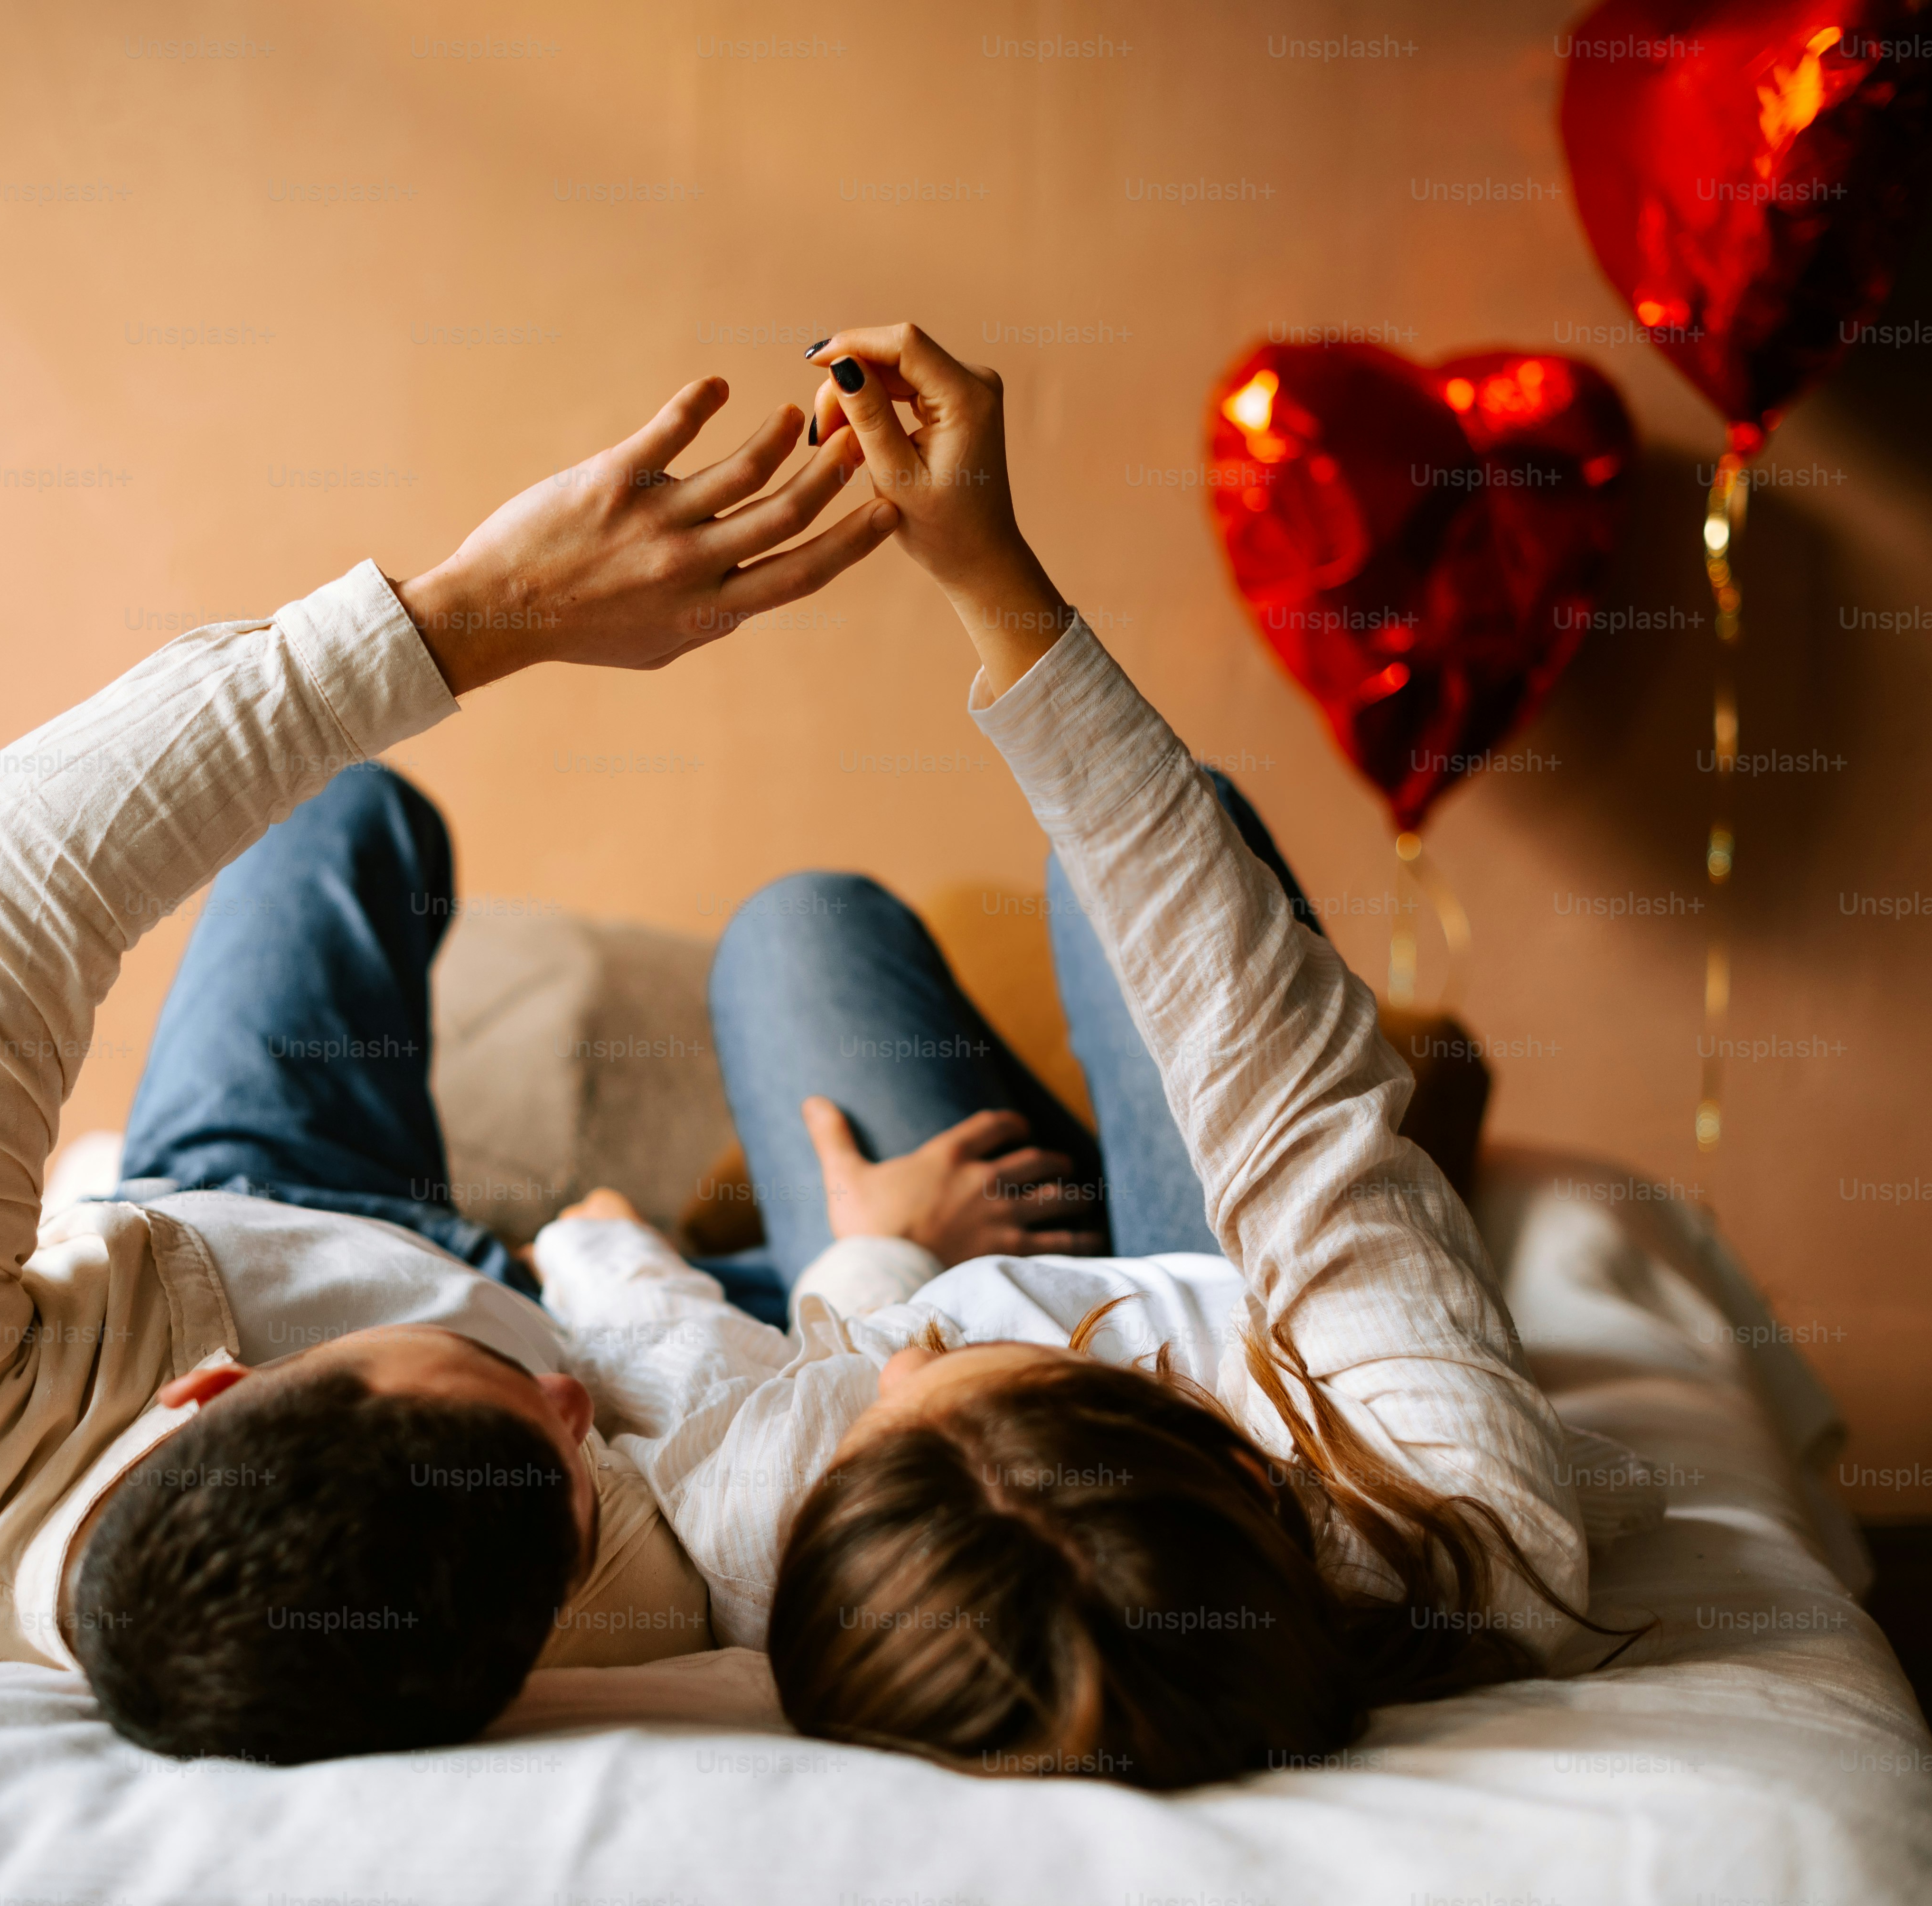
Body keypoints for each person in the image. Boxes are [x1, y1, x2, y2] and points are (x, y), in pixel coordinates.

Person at [532, 325, 1651, 1789]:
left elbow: (697, 1366)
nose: (906, 1350)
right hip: (1248, 1290)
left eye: (880, 1407)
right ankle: (1141, 1185)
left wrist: (859, 1262)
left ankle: (1058, 1171)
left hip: (947, 1233)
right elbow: (1269, 1053)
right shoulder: (1463, 1523)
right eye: (953, 1358)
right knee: (1147, 866)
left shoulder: (779, 1529)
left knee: (798, 931)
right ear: (1178, 1419)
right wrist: (997, 585)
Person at [0, 376, 898, 1764]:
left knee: (347, 805)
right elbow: (721, 1413)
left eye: (508, 1398)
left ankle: (116, 1187)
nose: (561, 1417)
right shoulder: (606, 1605)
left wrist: (484, 609)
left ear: (209, 1389)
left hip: (242, 1201)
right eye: (570, 1479)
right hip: (588, 1307)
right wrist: (868, 1270)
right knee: (923, 1218)